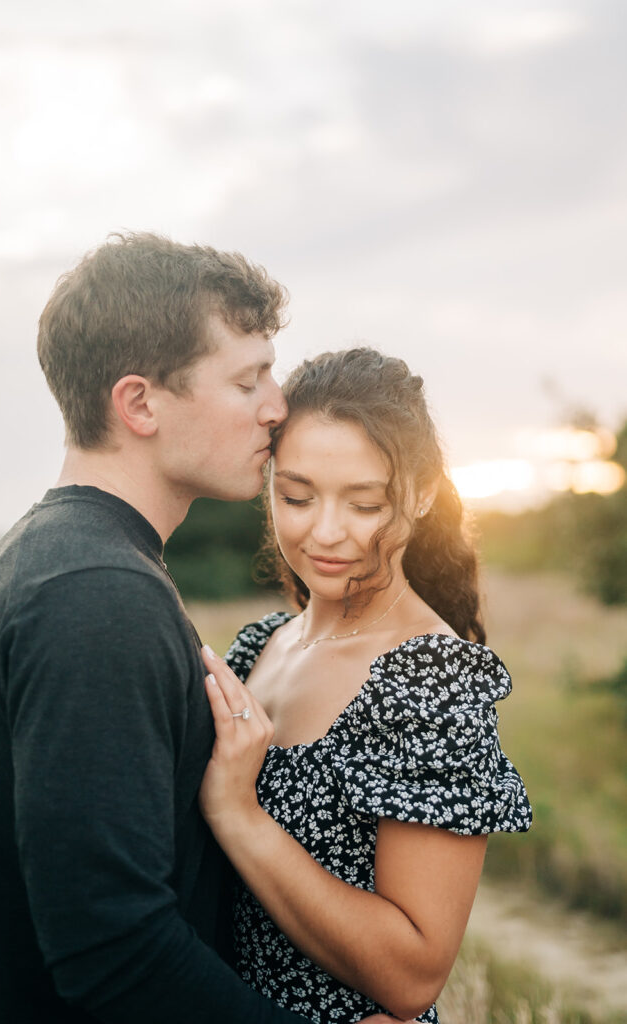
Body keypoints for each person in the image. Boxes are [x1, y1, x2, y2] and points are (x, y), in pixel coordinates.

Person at [0, 234, 395, 1024]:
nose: (276, 404)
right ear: (140, 403)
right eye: (247, 378)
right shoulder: (93, 593)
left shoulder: (52, 557)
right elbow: (111, 952)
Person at [197, 348, 533, 1024]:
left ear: (422, 493)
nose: (325, 532)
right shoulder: (262, 644)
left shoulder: (430, 676)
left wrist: (241, 817)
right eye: (296, 495)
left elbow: (412, 976)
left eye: (365, 503)